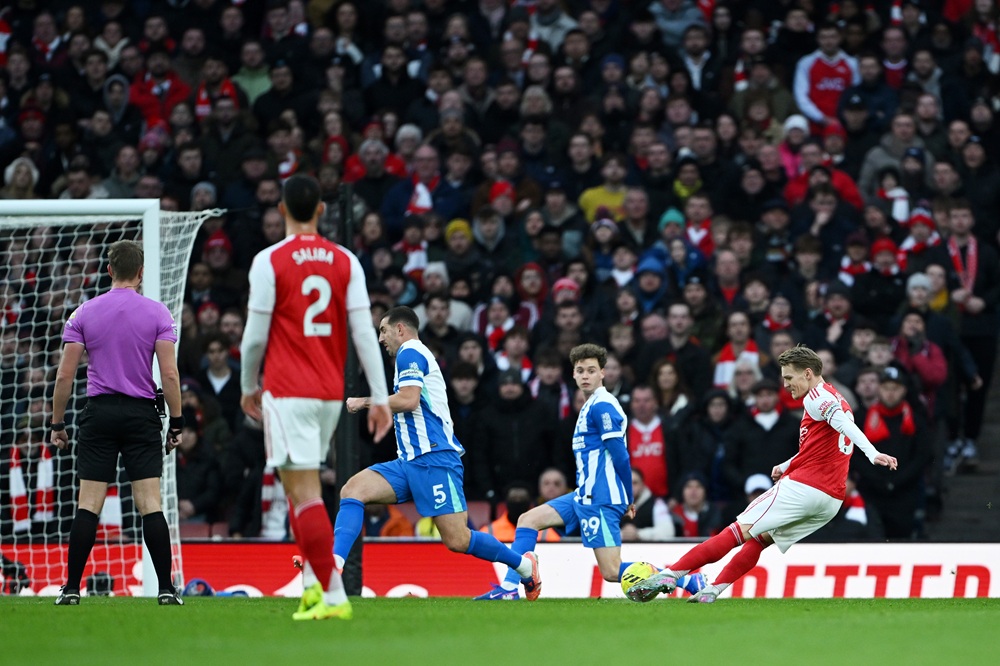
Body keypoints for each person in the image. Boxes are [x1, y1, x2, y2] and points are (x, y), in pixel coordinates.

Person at [627, 345, 898, 603]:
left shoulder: (818, 397)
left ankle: (670, 574)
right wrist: (787, 464)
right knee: (760, 538)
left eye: (789, 377)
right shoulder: (836, 396)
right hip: (830, 501)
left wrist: (873, 453)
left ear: (807, 373)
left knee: (735, 532)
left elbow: (844, 425)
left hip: (805, 487)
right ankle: (713, 590)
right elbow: (825, 444)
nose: (786, 384)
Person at [239, 174, 393, 621]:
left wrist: (249, 385)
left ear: (282, 210)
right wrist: (379, 395)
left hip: (287, 391)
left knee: (304, 493)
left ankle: (334, 595)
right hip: (329, 394)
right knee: (295, 487)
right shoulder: (346, 261)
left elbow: (253, 338)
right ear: (321, 211)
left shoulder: (269, 261)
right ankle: (310, 586)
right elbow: (365, 332)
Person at [336, 306, 540, 596]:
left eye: (383, 330)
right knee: (352, 490)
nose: (380, 338)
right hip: (408, 461)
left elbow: (408, 400)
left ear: (400, 329)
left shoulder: (410, 352)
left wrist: (365, 402)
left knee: (457, 539)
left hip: (434, 459)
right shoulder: (412, 356)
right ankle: (335, 563)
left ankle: (522, 566)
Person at [50, 240, 185, 606]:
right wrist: (176, 423)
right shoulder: (158, 313)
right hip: (141, 414)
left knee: (88, 503)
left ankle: (72, 589)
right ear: (140, 273)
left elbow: (64, 376)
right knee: (149, 503)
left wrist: (57, 423)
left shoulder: (84, 313)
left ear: (109, 270)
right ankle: (166, 591)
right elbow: (169, 375)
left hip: (99, 412)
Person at [474, 343, 636, 601]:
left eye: (591, 370)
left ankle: (684, 578)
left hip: (602, 499)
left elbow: (620, 455)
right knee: (528, 520)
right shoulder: (588, 405)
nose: (585, 375)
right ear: (572, 374)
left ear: (602, 373)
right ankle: (508, 589)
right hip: (584, 495)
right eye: (580, 370)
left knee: (612, 571)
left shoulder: (603, 405)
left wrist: (629, 496)